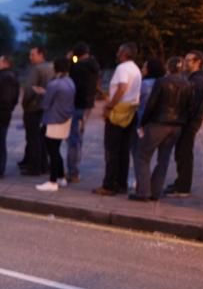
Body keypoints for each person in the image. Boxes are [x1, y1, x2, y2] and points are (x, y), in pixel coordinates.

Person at [131, 56, 191, 202]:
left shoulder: (162, 82)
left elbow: (152, 104)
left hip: (158, 123)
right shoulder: (188, 84)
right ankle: (155, 191)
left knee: (142, 156)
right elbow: (188, 107)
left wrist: (143, 122)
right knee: (163, 159)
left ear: (168, 67)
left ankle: (143, 191)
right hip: (176, 126)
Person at [94, 42, 142, 196]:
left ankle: (109, 184)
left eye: (119, 51)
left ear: (124, 54)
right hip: (130, 111)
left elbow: (122, 87)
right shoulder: (136, 69)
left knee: (112, 150)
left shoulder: (122, 68)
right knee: (123, 150)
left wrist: (110, 105)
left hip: (119, 111)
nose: (116, 53)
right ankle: (121, 183)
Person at [165, 51, 203, 198]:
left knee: (184, 152)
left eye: (188, 60)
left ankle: (183, 186)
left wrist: (183, 118)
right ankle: (180, 182)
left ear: (198, 62)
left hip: (189, 122)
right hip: (190, 121)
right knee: (181, 152)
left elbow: (193, 104)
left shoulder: (198, 81)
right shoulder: (195, 79)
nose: (185, 63)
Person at [35, 57, 76, 191]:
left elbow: (46, 104)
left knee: (52, 151)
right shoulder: (70, 82)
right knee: (56, 149)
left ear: (55, 69)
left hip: (53, 120)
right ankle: (61, 177)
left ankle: (53, 181)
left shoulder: (54, 84)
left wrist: (42, 94)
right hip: (66, 119)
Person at [66, 43, 100, 184]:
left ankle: (73, 172)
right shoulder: (94, 65)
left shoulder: (78, 67)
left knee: (73, 139)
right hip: (88, 105)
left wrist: (69, 60)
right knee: (78, 136)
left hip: (77, 104)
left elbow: (71, 83)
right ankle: (74, 168)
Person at [20, 46, 53, 176]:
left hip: (33, 108)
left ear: (41, 55)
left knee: (33, 138)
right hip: (46, 108)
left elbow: (29, 90)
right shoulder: (51, 68)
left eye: (32, 54)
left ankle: (35, 167)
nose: (30, 57)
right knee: (42, 138)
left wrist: (24, 104)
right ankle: (44, 165)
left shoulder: (37, 69)